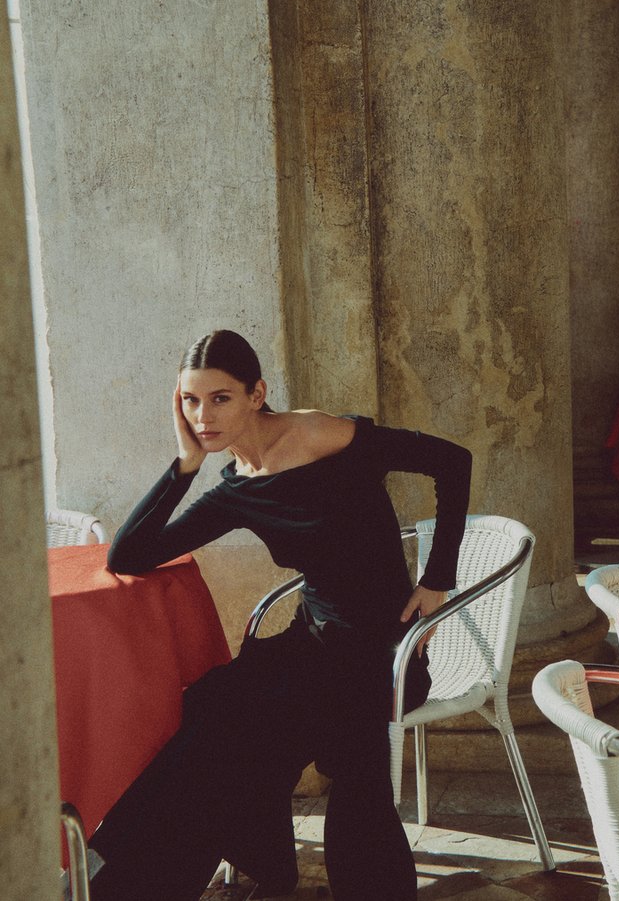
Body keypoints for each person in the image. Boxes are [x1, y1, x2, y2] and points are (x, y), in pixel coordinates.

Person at [79, 328, 472, 901]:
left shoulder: (325, 436)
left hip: (383, 649)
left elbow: (453, 462)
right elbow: (129, 555)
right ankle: (140, 886)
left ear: (256, 394)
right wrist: (185, 463)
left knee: (334, 747)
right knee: (213, 713)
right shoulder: (238, 488)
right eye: (190, 401)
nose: (203, 417)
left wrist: (438, 577)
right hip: (313, 643)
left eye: (220, 398)